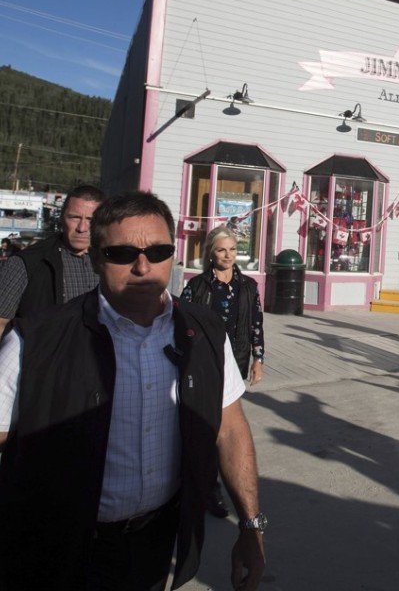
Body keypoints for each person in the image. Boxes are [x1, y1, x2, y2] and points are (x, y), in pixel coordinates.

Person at [0, 191, 267, 591]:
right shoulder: (34, 340)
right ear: (95, 259)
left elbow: (230, 429)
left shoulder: (205, 332)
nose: (143, 266)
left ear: (173, 256)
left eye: (158, 251)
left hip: (156, 546)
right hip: (59, 551)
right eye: (122, 253)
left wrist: (250, 525)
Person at [0, 184, 103, 334]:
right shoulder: (26, 263)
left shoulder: (114, 261)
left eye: (90, 220)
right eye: (74, 217)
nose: (82, 228)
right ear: (62, 218)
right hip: (42, 354)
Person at [182, 225, 266, 383]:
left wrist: (258, 360)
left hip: (237, 360)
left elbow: (256, 325)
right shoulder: (196, 286)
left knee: (230, 406)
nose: (228, 255)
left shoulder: (248, 286)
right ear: (211, 253)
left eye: (232, 249)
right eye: (221, 250)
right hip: (204, 361)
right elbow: (181, 323)